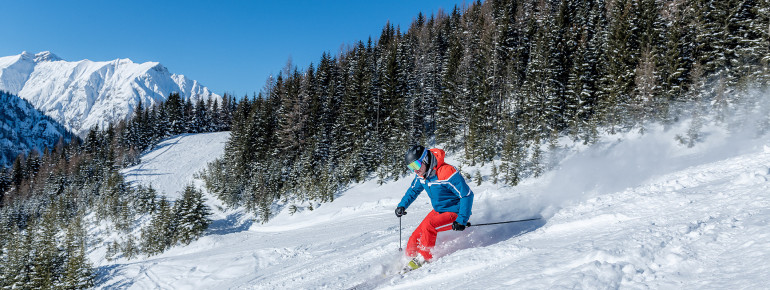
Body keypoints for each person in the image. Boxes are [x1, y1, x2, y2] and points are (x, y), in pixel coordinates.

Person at [395, 145, 474, 270]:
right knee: (415, 237)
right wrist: (402, 205)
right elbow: (413, 190)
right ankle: (408, 259)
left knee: (429, 226)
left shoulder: (447, 172)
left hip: (455, 211)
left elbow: (467, 195)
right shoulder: (422, 175)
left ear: (425, 159)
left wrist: (462, 220)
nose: (415, 170)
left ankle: (423, 258)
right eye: (411, 168)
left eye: (416, 165)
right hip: (439, 211)